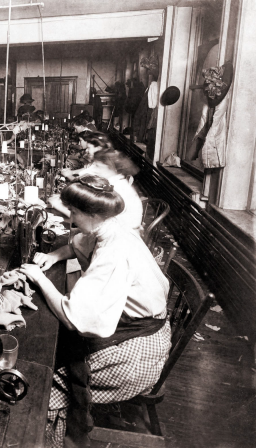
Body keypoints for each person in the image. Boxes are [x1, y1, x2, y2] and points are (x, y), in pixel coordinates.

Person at [20, 176, 171, 448]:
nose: (71, 218)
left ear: (91, 213)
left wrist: (39, 279)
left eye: (74, 213)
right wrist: (53, 256)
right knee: (58, 350)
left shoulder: (113, 252)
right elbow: (79, 243)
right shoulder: (112, 228)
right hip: (139, 329)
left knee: (43, 385)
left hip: (138, 354)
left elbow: (74, 318)